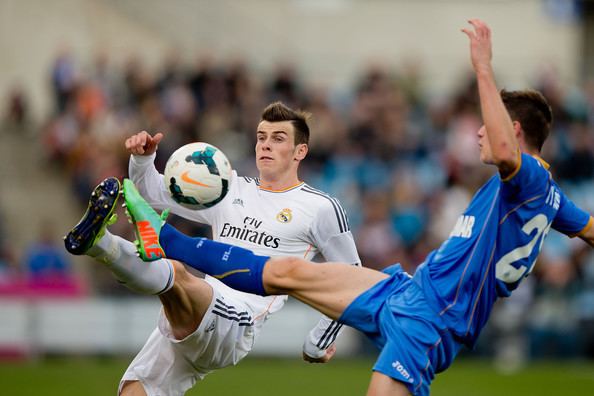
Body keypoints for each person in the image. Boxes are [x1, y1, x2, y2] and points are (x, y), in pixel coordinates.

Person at [121, 20, 594, 395]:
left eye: (486, 126)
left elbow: (511, 155)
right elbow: (589, 229)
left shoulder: (527, 176)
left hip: (431, 320)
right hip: (410, 292)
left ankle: (164, 239)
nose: (475, 133)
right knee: (289, 271)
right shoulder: (552, 198)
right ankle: (164, 238)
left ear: (512, 129)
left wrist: (483, 69)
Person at [64, 102, 361, 395]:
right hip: (196, 313)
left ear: (300, 152)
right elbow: (149, 194)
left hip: (238, 321)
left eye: (278, 139)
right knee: (134, 392)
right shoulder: (227, 187)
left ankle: (105, 243)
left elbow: (352, 278)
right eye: (261, 137)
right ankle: (110, 240)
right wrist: (143, 160)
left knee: (177, 273)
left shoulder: (320, 207)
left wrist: (320, 339)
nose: (265, 145)